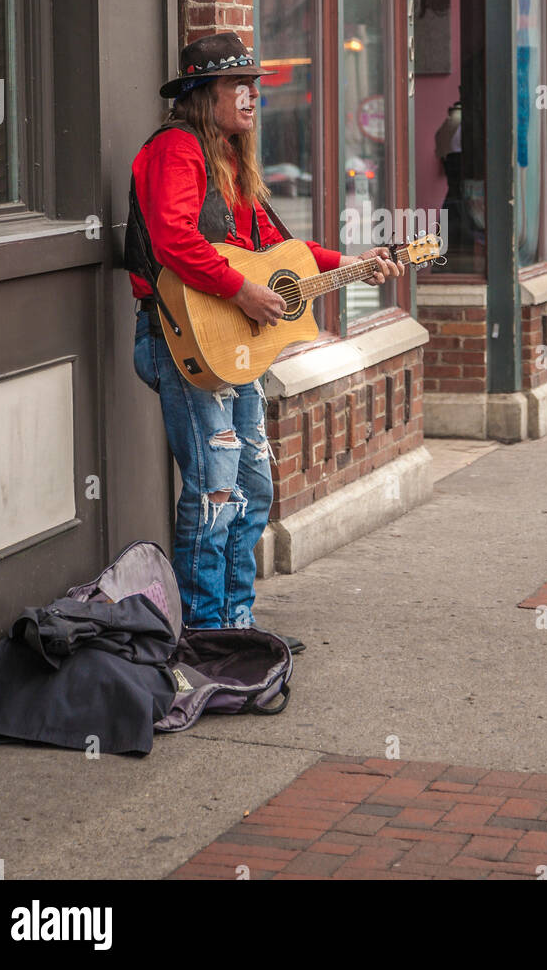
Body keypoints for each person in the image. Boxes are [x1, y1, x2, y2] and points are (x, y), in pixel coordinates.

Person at [125, 32, 402, 647]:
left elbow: (277, 255)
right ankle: (204, 634)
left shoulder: (229, 155)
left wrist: (354, 261)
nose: (253, 96)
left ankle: (238, 626)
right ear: (203, 93)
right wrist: (239, 291)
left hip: (234, 346)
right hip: (184, 344)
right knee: (213, 489)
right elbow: (174, 240)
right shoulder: (178, 148)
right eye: (239, 86)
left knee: (250, 485)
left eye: (255, 86)